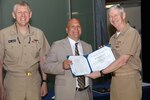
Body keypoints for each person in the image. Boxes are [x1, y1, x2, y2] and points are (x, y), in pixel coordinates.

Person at [87, 4, 142, 100]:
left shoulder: (131, 33)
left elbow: (123, 60)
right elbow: (112, 60)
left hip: (128, 80)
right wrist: (103, 55)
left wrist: (100, 73)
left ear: (123, 15)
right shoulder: (113, 38)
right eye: (110, 16)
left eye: (116, 15)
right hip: (115, 80)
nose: (113, 18)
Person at [0, 1, 50, 100]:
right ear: (14, 15)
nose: (23, 15)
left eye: (26, 12)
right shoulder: (3, 35)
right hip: (12, 84)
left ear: (30, 14)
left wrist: (44, 82)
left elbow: (43, 59)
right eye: (19, 12)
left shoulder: (39, 34)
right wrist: (1, 88)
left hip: (34, 82)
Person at [43, 18, 93, 100]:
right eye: (73, 26)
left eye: (78, 26)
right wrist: (62, 66)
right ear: (67, 30)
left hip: (86, 93)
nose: (76, 29)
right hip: (66, 94)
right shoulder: (57, 45)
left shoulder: (88, 47)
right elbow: (46, 67)